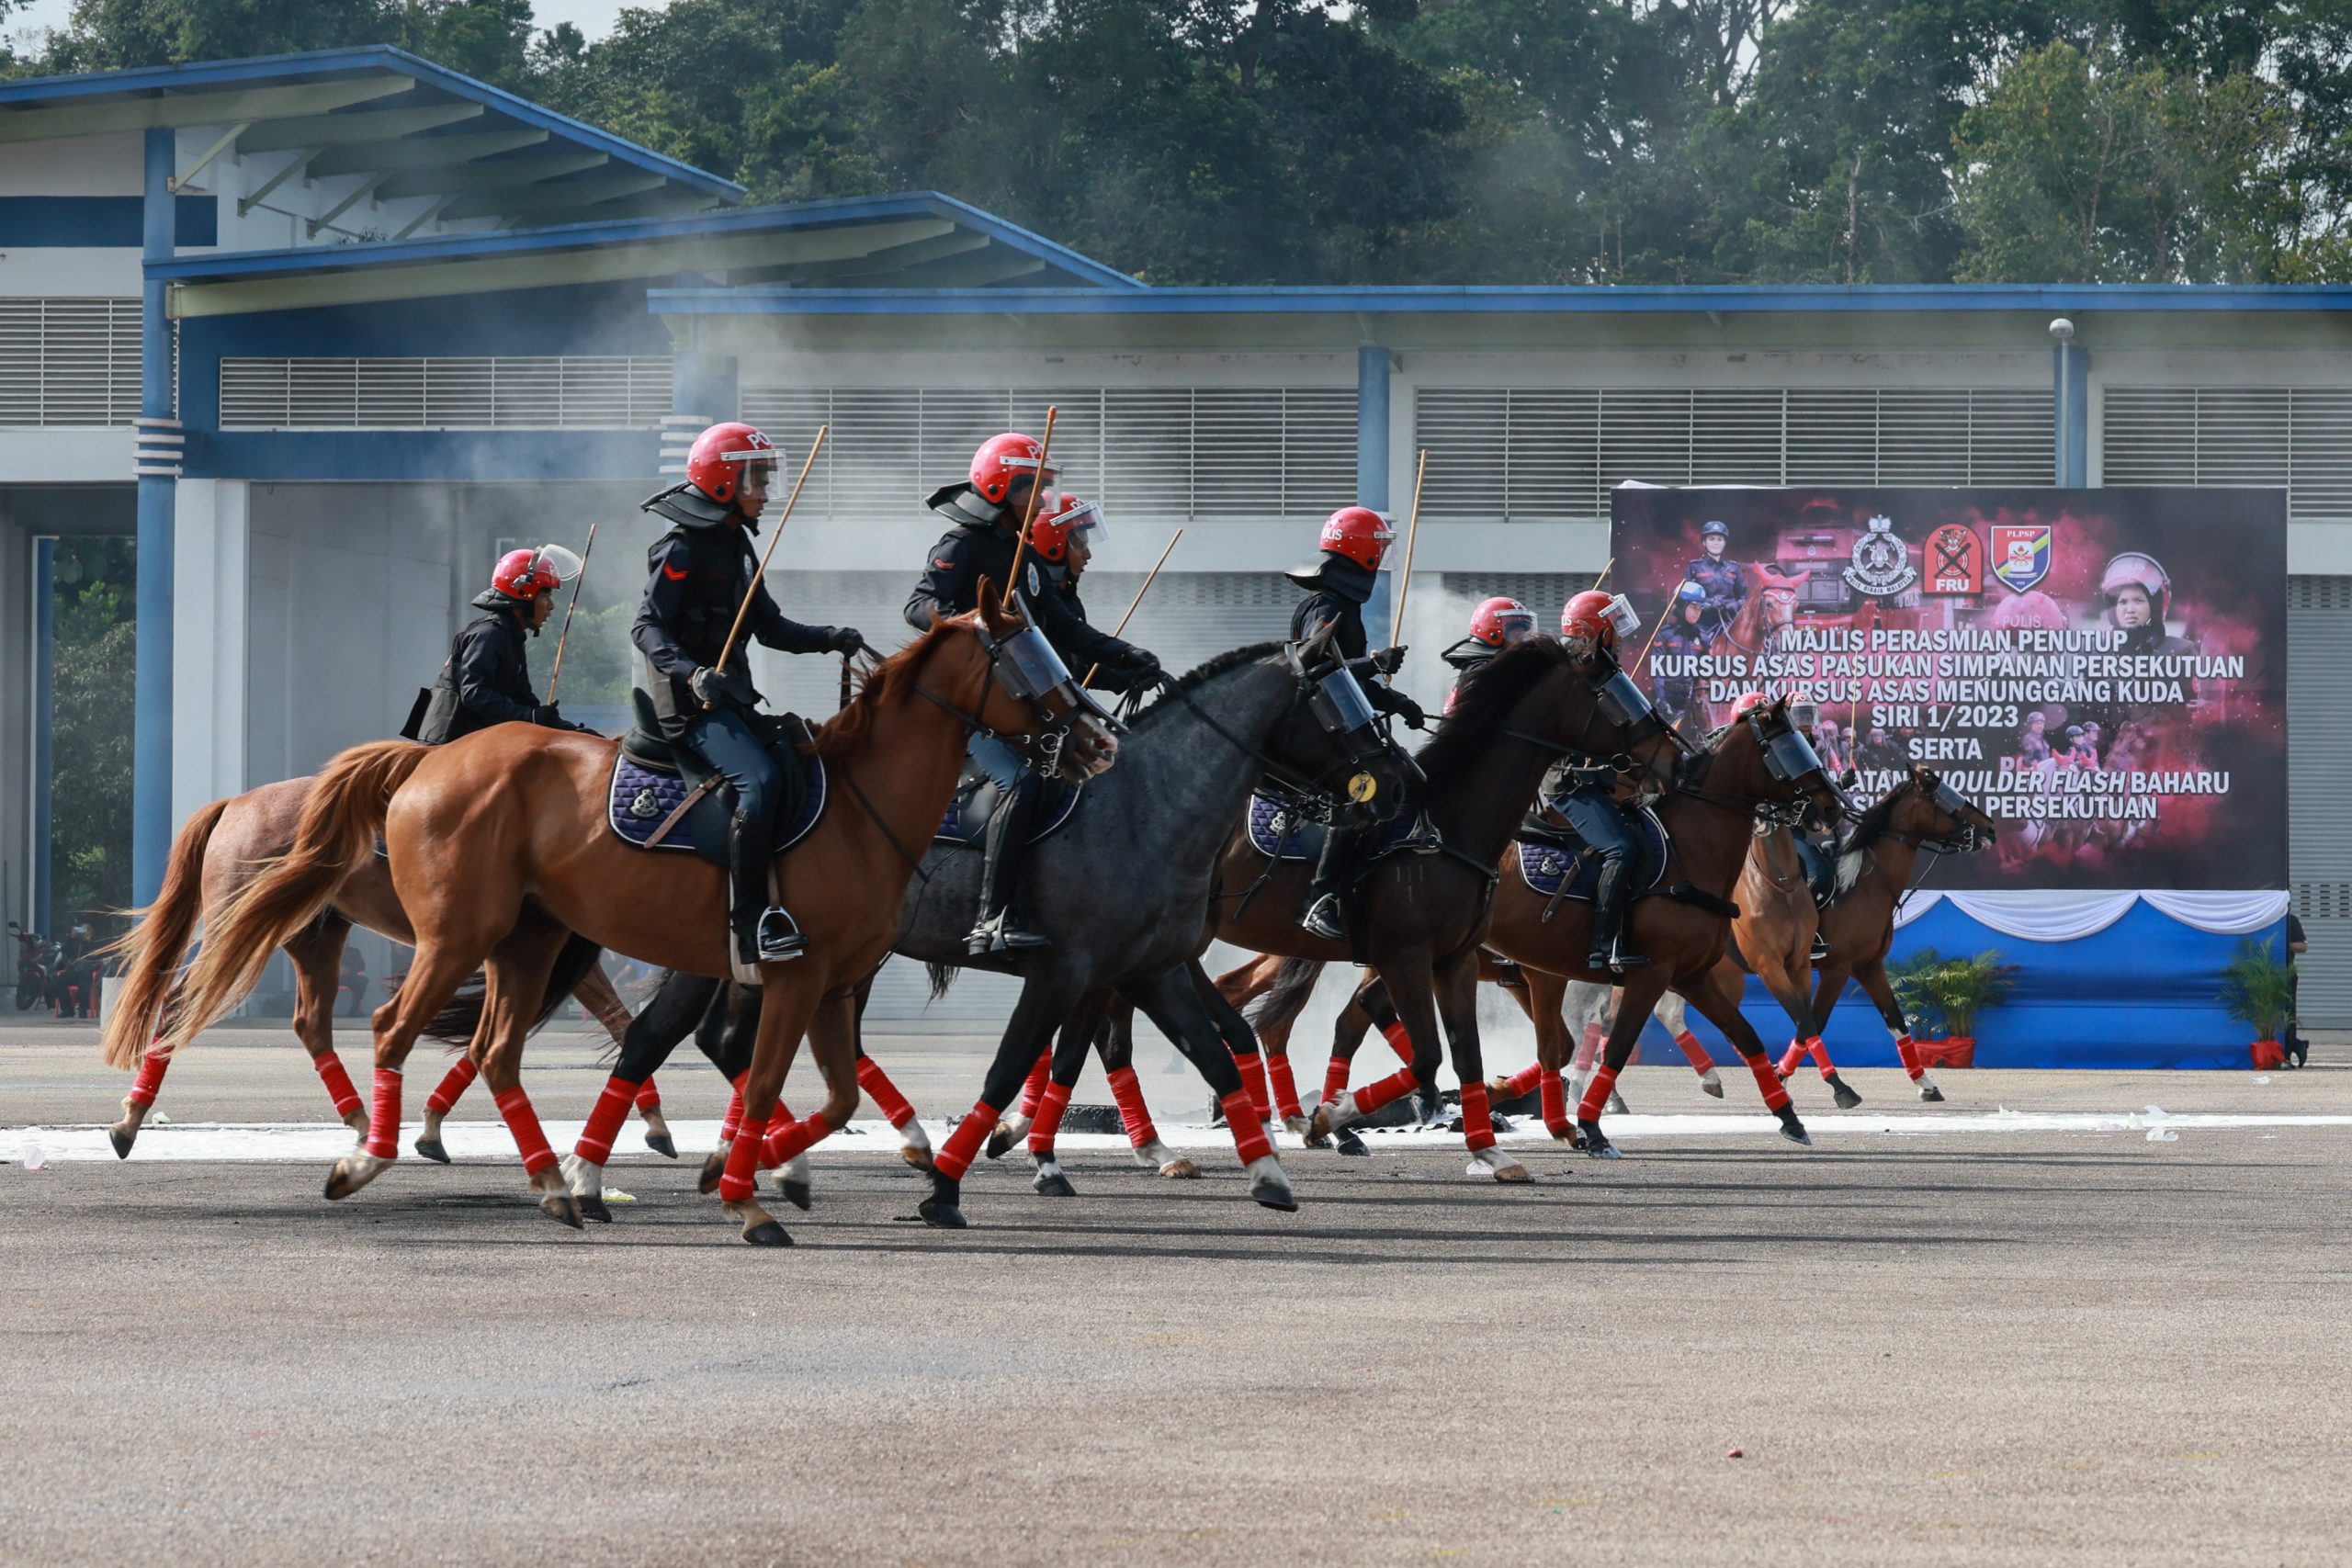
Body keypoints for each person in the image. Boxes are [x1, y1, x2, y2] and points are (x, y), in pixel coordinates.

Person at [906, 437, 1161, 954]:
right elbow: (917, 606)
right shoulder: (963, 543)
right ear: (1005, 488)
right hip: (964, 710)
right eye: (1037, 490)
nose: (1044, 501)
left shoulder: (1014, 552)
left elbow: (1064, 630)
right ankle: (990, 918)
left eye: (1046, 490)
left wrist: (1128, 655)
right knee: (1022, 783)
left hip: (1010, 706)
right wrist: (978, 623)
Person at [634, 421, 865, 974]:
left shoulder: (737, 540)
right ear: (721, 480)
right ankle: (751, 924)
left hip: (732, 700)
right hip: (691, 707)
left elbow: (770, 627)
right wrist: (691, 674)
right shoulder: (682, 543)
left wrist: (828, 639)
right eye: (754, 478)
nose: (763, 490)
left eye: (764, 477)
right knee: (757, 784)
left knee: (799, 759)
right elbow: (647, 627)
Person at [1284, 505, 1429, 941]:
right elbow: (1315, 668)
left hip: (1342, 724)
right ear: (1361, 549)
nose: (1382, 556)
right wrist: (1375, 663)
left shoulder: (1344, 602)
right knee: (1368, 793)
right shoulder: (1326, 604)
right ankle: (1320, 897)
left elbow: (1350, 676)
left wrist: (1397, 700)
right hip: (1319, 729)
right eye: (1378, 546)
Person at [1550, 591, 1648, 972]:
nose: (1620, 639)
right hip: (1568, 785)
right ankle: (1602, 948)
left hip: (1595, 781)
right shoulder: (1567, 682)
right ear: (1595, 633)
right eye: (1614, 631)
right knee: (1620, 848)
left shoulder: (1598, 676)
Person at [413, 546, 589, 744]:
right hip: (451, 744)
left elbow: (525, 702)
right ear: (525, 594)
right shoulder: (490, 634)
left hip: (476, 743)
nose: (551, 605)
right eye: (545, 596)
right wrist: (528, 716)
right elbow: (474, 693)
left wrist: (573, 732)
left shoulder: (512, 638)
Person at [1439, 596, 1534, 714]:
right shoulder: (1481, 671)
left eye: (1524, 633)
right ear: (1493, 633)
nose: (1523, 640)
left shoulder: (1508, 666)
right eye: (1516, 634)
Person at [1650, 581, 1710, 727]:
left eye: (1700, 608)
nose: (1698, 612)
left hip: (1691, 705)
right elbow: (1657, 672)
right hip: (1667, 702)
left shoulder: (1703, 638)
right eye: (1694, 607)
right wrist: (1661, 700)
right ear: (1682, 606)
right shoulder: (1665, 635)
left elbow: (1704, 675)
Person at [1682, 520, 1746, 644]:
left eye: (1719, 539)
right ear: (1704, 543)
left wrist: (1734, 605)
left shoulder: (1734, 568)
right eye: (1711, 539)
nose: (1716, 543)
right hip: (1701, 624)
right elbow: (1684, 599)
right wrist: (1707, 604)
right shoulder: (1694, 567)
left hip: (1729, 623)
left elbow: (1744, 597)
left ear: (1724, 543)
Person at [2285, 912, 2310, 1067]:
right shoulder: (2260, 917)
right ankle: (2296, 1045)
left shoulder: (2290, 920)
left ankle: (2289, 1051)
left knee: (2288, 1015)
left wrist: (2284, 945)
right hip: (2264, 975)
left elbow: (2303, 946)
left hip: (2286, 974)